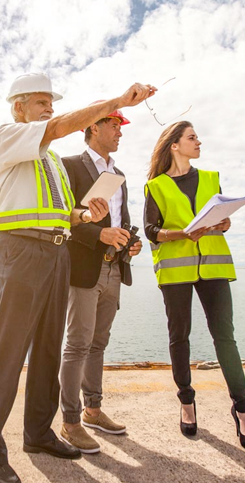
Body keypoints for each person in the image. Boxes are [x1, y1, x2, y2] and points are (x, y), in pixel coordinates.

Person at [0, 72, 156, 483]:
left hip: (57, 252)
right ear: (18, 107)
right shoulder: (9, 136)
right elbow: (59, 129)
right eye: (41, 102)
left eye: (51, 103)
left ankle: (37, 434)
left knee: (47, 350)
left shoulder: (53, 162)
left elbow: (65, 215)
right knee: (8, 353)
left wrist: (85, 216)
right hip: (21, 252)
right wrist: (117, 100)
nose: (50, 110)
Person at [143, 120, 245, 450]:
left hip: (214, 266)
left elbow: (223, 219)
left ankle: (243, 409)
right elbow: (151, 230)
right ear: (174, 145)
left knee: (225, 337)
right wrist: (181, 234)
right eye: (192, 137)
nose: (199, 142)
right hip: (176, 270)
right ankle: (187, 403)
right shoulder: (155, 186)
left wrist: (225, 222)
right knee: (179, 336)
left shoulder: (211, 178)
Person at [59, 106, 142, 454]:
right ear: (93, 127)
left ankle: (93, 409)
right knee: (78, 344)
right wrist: (100, 235)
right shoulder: (69, 166)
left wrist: (129, 244)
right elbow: (63, 217)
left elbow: (121, 218)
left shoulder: (119, 173)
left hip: (113, 268)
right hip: (83, 269)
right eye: (114, 125)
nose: (120, 132)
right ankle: (70, 421)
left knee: (98, 343)